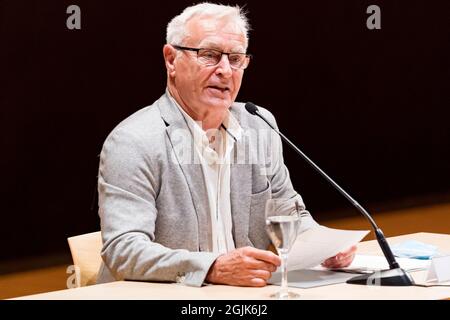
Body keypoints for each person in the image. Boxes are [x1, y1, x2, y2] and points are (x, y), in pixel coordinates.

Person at [96, 3, 356, 287]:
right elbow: (123, 250)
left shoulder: (259, 125)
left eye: (235, 59)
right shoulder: (134, 141)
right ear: (171, 59)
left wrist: (322, 245)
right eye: (209, 55)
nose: (225, 71)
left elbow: (289, 215)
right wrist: (211, 268)